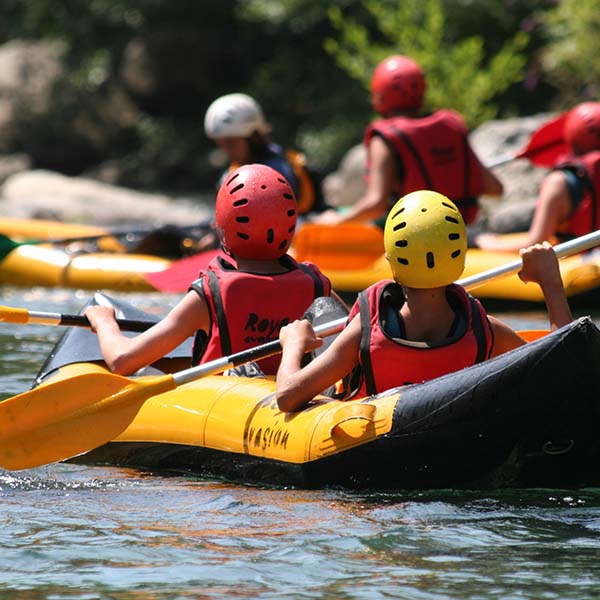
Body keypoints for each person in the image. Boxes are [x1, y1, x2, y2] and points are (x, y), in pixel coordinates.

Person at [276, 190, 573, 412]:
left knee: (323, 310)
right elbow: (560, 374)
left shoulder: (365, 333)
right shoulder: (484, 331)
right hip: (452, 446)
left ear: (392, 263)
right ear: (459, 259)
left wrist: (293, 345)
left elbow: (288, 397)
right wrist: (550, 284)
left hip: (371, 446)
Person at [85, 164, 342, 377]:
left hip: (225, 406)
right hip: (298, 402)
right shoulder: (318, 287)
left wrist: (104, 321)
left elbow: (121, 361)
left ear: (223, 225)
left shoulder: (210, 294)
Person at [315, 55, 503, 227]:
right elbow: (495, 188)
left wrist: (338, 220)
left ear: (380, 96)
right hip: (462, 230)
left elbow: (376, 203)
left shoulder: (384, 140)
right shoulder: (451, 126)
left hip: (415, 236)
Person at [476, 101, 600, 252]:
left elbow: (535, 243)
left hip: (580, 266)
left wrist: (488, 244)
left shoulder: (558, 183)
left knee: (476, 236)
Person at [204, 92, 322, 215]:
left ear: (253, 138)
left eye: (231, 144)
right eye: (221, 145)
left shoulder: (276, 171)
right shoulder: (234, 171)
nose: (226, 152)